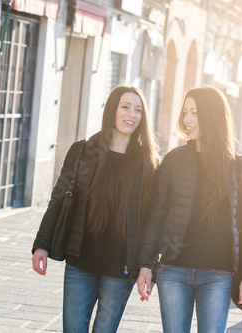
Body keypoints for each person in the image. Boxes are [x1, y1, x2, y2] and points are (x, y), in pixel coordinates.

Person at [32, 84, 159, 332]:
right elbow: (58, 199)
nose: (131, 115)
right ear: (112, 109)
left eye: (138, 110)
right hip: (81, 262)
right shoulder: (83, 151)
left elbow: (153, 220)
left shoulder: (149, 164)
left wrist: (147, 265)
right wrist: (41, 244)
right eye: (125, 107)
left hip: (122, 269)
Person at [136, 85, 242, 333]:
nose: (187, 119)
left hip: (218, 275)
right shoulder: (174, 161)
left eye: (195, 113)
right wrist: (145, 265)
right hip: (173, 271)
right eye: (185, 112)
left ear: (212, 116)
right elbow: (156, 217)